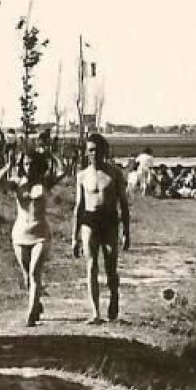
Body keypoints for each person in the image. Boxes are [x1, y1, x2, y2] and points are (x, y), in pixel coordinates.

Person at [0, 144, 67, 326]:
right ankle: (36, 301)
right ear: (21, 164)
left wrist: (52, 154)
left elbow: (63, 171)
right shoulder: (17, 182)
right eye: (25, 163)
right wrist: (8, 166)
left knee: (35, 272)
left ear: (38, 165)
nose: (29, 167)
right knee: (27, 275)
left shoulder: (45, 182)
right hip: (20, 234)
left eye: (32, 163)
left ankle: (31, 314)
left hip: (40, 234)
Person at [71, 133, 132, 323]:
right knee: (91, 266)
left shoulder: (114, 173)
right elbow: (79, 207)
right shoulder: (82, 176)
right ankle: (95, 312)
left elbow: (123, 203)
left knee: (110, 266)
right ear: (86, 153)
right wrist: (74, 236)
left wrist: (126, 232)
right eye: (90, 150)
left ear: (104, 151)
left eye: (97, 150)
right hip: (89, 221)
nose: (94, 154)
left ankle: (114, 297)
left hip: (109, 221)